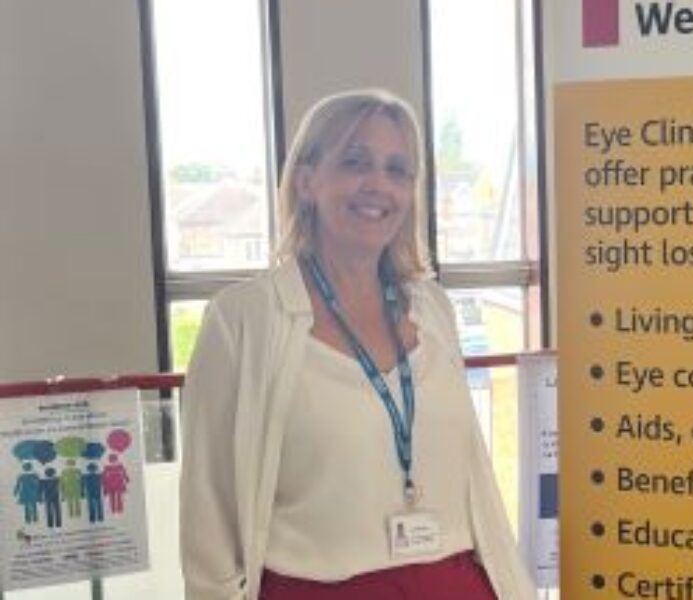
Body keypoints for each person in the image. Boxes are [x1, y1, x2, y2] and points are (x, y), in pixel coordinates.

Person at [180, 89, 535, 600]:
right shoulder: (244, 320)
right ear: (306, 181)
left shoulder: (432, 308)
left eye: (398, 170)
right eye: (355, 162)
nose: (378, 186)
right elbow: (207, 515)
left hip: (454, 582)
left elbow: (469, 476)